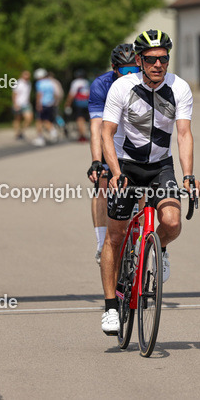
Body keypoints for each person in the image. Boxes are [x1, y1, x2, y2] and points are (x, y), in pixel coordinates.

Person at [98, 30, 200, 336]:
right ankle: (110, 308)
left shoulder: (179, 87)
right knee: (115, 238)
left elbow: (183, 134)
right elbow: (106, 132)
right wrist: (115, 172)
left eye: (163, 58)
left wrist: (189, 175)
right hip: (126, 165)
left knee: (172, 222)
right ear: (140, 60)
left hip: (159, 166)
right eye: (151, 59)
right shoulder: (122, 87)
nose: (158, 64)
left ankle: (159, 249)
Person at [86, 43, 139, 265]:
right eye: (124, 71)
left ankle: (140, 241)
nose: (129, 75)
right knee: (102, 184)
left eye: (133, 70)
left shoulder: (144, 83)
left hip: (136, 140)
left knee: (142, 186)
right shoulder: (102, 85)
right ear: (114, 68)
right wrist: (97, 161)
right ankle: (101, 243)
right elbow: (97, 127)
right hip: (111, 140)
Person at [33, 68, 60, 146]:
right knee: (46, 120)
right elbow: (55, 94)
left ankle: (41, 137)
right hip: (50, 104)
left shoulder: (39, 83)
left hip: (43, 104)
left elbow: (39, 94)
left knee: (39, 121)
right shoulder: (51, 82)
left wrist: (38, 104)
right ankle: (53, 132)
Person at [67, 69, 91, 143]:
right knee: (89, 119)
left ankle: (82, 136)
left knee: (80, 120)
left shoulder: (75, 82)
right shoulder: (86, 82)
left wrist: (68, 104)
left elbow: (72, 94)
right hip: (87, 102)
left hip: (79, 103)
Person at [12, 69, 33, 140]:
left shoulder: (28, 83)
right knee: (17, 119)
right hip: (18, 103)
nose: (27, 76)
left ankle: (21, 131)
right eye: (26, 74)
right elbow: (14, 94)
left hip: (26, 103)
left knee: (29, 118)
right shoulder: (18, 83)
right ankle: (17, 133)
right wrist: (15, 103)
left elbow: (27, 94)